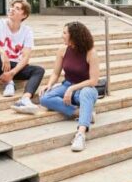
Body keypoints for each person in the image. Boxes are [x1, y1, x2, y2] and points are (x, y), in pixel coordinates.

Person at [39, 21, 100, 152]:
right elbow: (56, 73)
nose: (62, 36)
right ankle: (82, 112)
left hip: (85, 88)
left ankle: (81, 133)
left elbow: (94, 81)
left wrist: (72, 89)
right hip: (67, 85)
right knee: (44, 98)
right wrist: (49, 85)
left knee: (86, 93)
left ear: (74, 35)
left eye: (65, 33)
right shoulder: (62, 50)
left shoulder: (91, 53)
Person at [0, 0, 44, 115]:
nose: (12, 9)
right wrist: (3, 53)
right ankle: (9, 83)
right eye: (12, 7)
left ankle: (25, 99)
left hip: (14, 67)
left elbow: (25, 58)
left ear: (24, 15)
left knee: (39, 70)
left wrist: (12, 73)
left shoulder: (27, 31)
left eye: (17, 8)